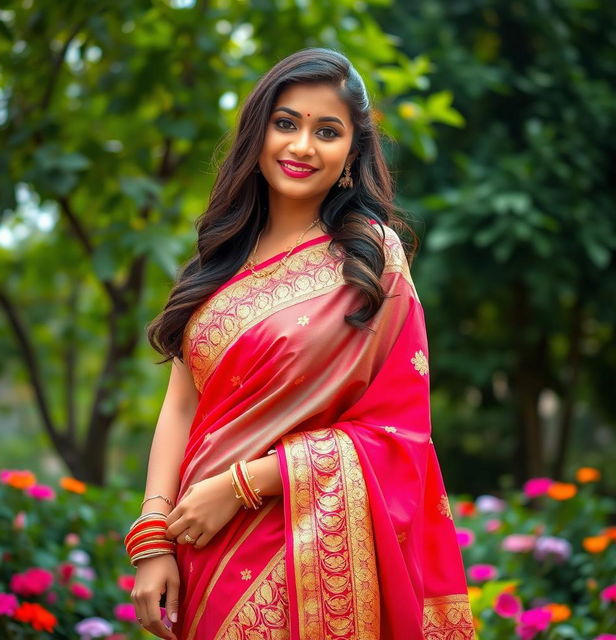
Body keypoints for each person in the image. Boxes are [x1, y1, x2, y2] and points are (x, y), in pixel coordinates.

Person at [127, 47, 475, 640]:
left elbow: (399, 433)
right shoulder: (219, 258)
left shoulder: (370, 259)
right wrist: (153, 536)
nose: (302, 146)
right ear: (259, 131)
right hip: (199, 542)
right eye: (286, 123)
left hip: (299, 541)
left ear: (351, 153)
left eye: (327, 131)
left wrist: (244, 485)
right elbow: (180, 405)